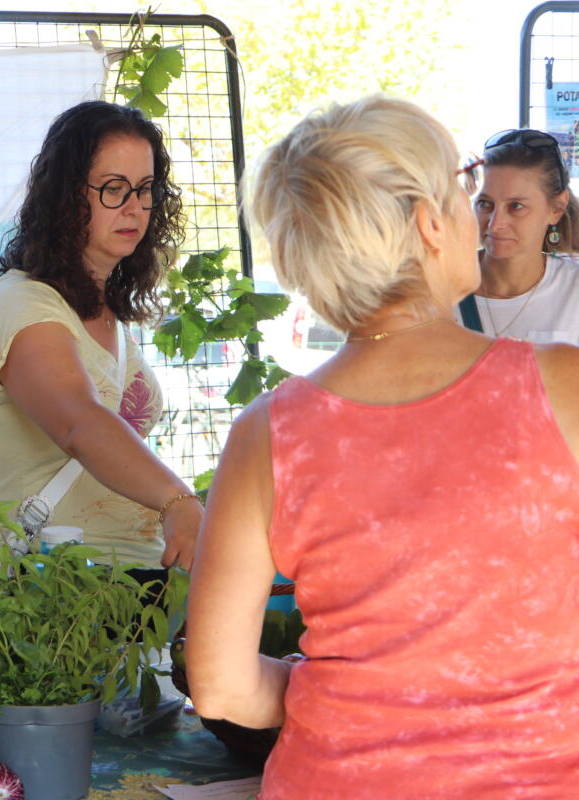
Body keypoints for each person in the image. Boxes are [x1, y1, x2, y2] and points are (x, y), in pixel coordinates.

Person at [185, 96, 579, 797]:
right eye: (465, 188)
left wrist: (351, 697)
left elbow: (219, 685)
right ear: (430, 223)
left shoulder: (266, 434)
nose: (480, 216)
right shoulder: (561, 387)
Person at [0, 100, 203, 583]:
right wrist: (178, 500)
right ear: (67, 197)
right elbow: (78, 422)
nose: (134, 207)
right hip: (47, 593)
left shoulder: (108, 313)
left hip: (130, 584)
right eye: (113, 189)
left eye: (145, 189)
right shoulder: (23, 303)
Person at [458, 128, 579, 342]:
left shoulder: (572, 291)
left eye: (516, 206)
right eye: (485, 204)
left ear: (557, 208)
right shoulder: (437, 289)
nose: (495, 224)